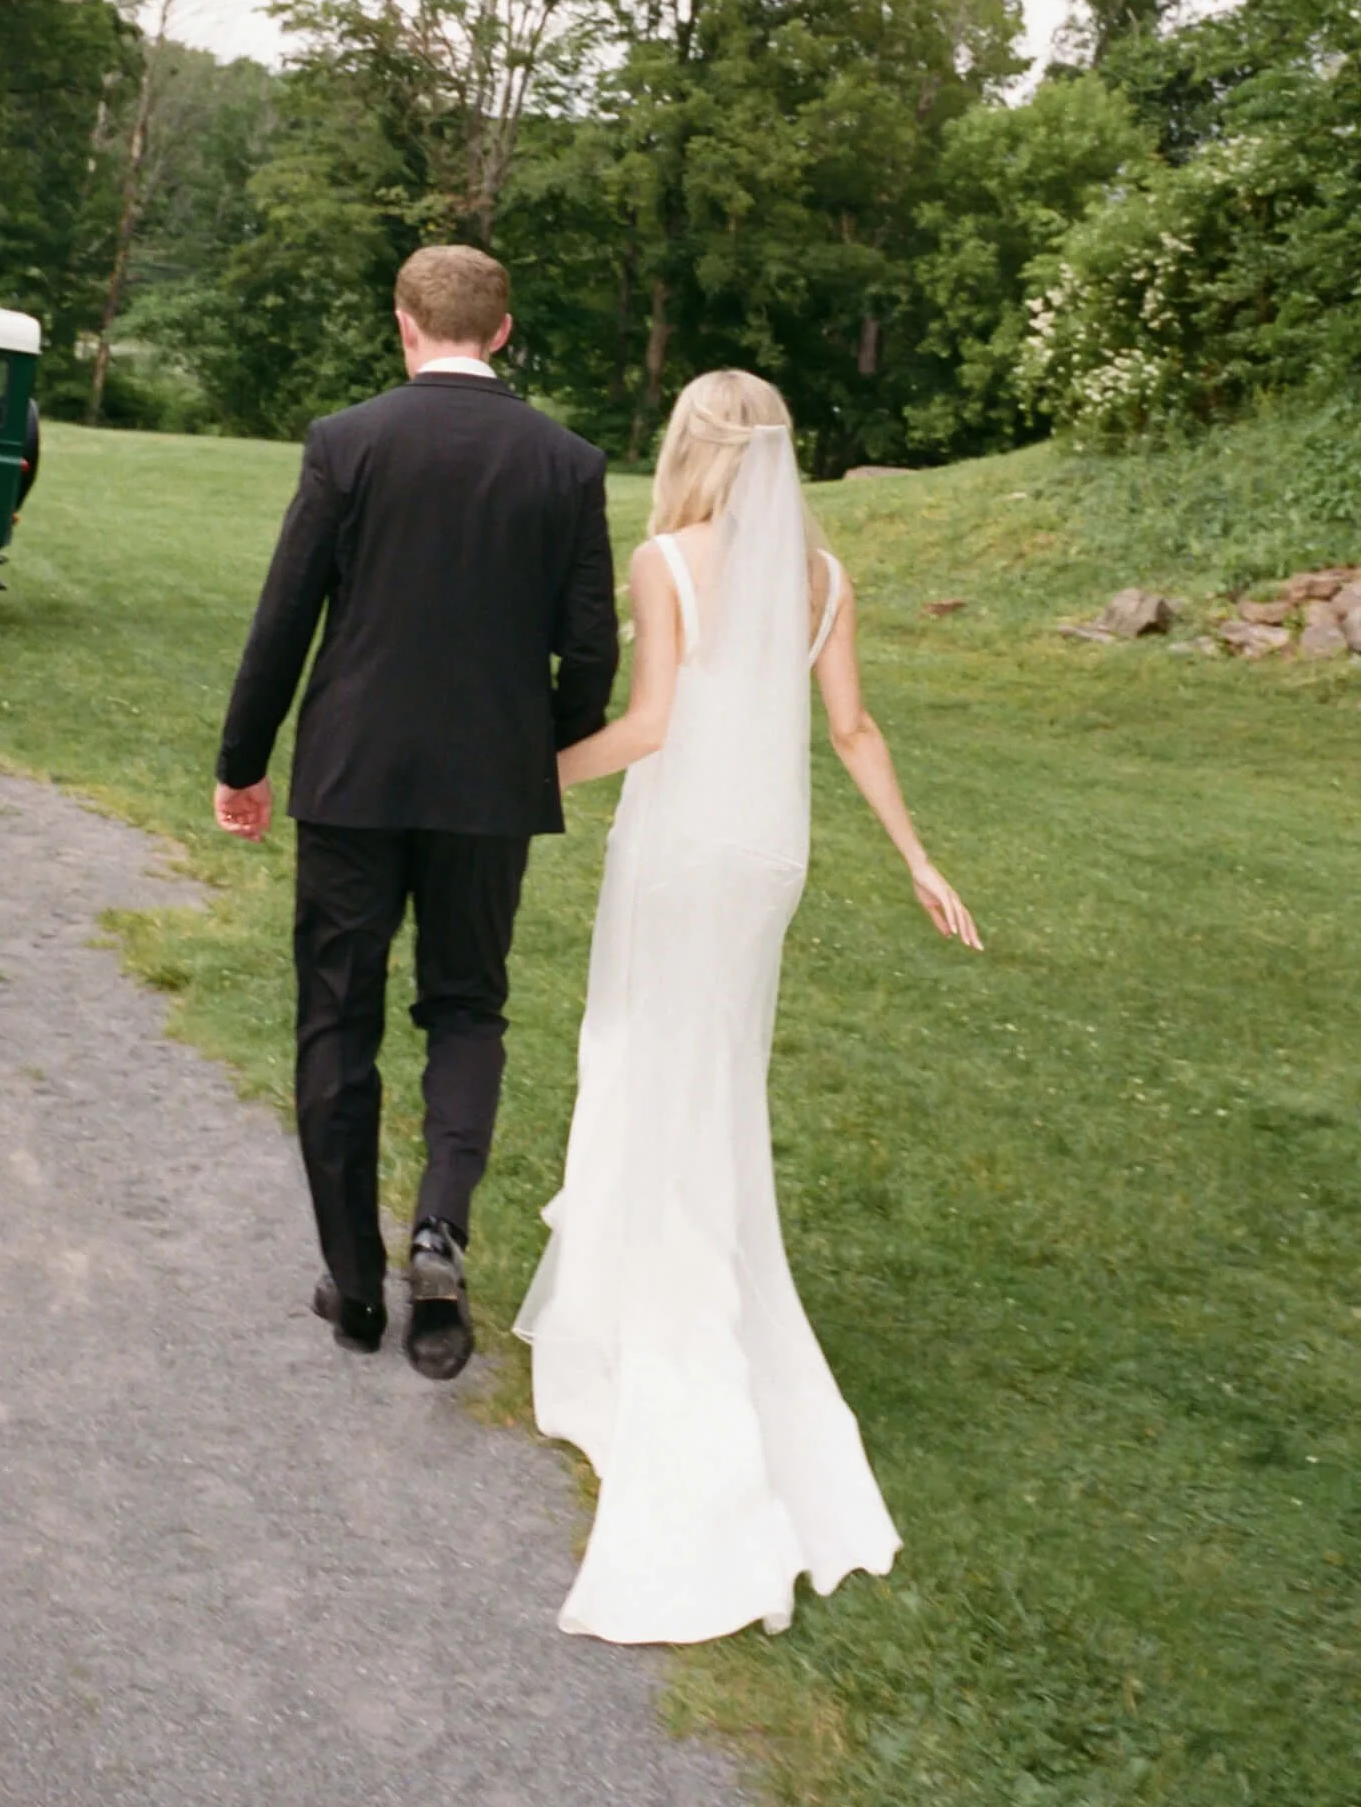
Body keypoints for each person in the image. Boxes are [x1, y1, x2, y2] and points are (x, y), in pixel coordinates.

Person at [515, 368, 980, 1644]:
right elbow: (854, 729)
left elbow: (650, 726)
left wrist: (526, 772)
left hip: (680, 854)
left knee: (637, 1050)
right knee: (711, 1074)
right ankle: (670, 1273)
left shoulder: (663, 557)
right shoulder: (823, 579)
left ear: (690, 448)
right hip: (768, 858)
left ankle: (651, 1324)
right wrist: (915, 856)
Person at [214, 245, 618, 1378]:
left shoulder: (349, 442)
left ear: (404, 326)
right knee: (465, 1005)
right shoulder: (567, 462)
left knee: (336, 1012)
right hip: (489, 786)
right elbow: (588, 646)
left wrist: (241, 759)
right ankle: (438, 1227)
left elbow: (285, 615)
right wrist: (536, 748)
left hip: (352, 775)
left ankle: (352, 1281)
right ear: (499, 331)